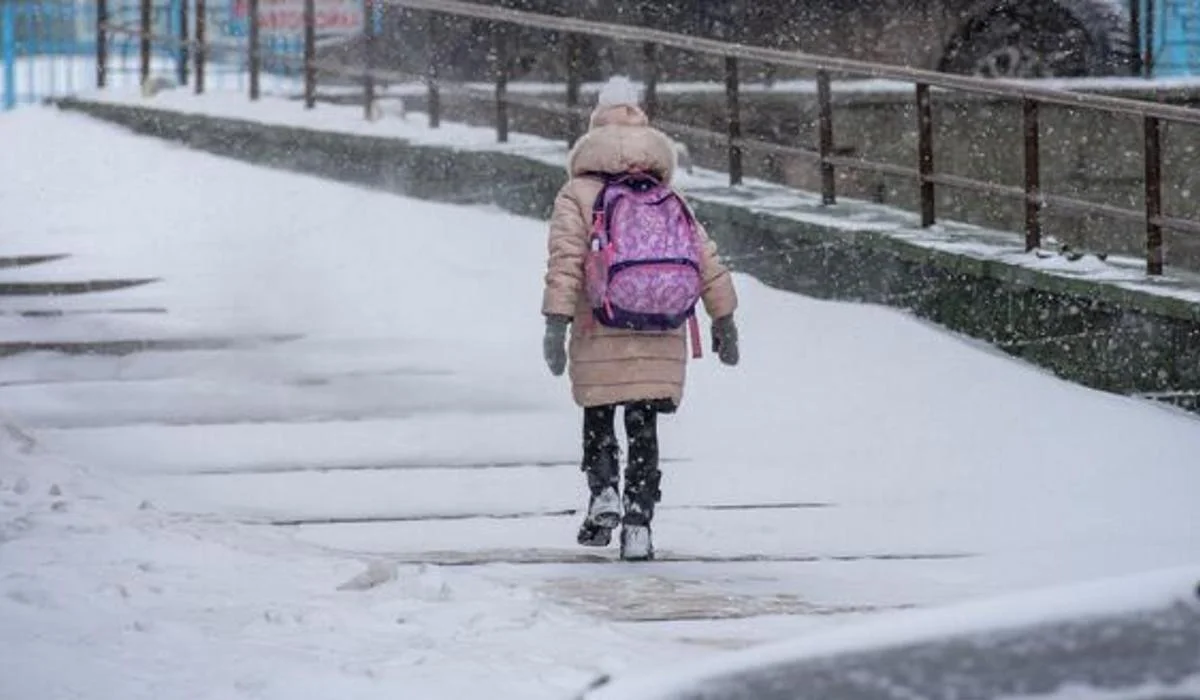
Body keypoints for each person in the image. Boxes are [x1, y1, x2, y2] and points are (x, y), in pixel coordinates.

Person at [541, 77, 740, 561]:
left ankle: (603, 490)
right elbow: (704, 256)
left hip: (598, 324)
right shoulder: (667, 193)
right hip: (660, 324)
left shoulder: (578, 194)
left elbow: (566, 260)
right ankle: (638, 523)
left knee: (600, 412)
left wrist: (555, 320)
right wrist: (724, 318)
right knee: (643, 421)